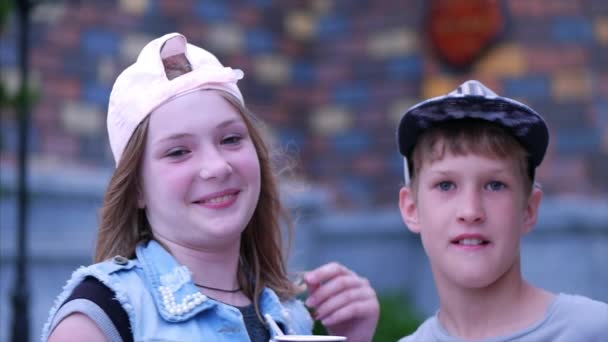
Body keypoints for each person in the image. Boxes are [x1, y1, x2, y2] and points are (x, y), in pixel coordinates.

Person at [42, 32, 379, 342]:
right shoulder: (100, 318)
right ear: (136, 189)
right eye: (178, 152)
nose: (217, 167)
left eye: (231, 139)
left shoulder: (291, 317)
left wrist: (354, 338)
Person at [396, 80, 608, 342]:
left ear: (529, 209)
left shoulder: (595, 331)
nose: (471, 210)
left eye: (495, 185)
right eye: (446, 185)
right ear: (411, 209)